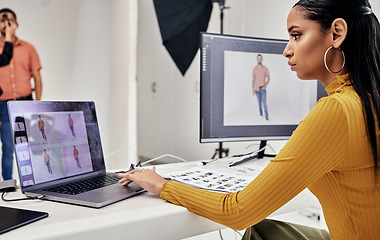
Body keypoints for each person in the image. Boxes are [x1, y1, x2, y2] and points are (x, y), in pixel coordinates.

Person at [118, 0, 380, 239]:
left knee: (255, 227)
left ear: (337, 33)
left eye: (296, 35)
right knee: (264, 230)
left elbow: (239, 211)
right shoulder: (369, 98)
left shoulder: (337, 110)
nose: (287, 50)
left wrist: (162, 185)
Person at [0, 8, 43, 180]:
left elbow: (37, 78)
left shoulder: (28, 48)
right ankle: (7, 185)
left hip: (26, 102)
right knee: (8, 148)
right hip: (3, 105)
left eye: (9, 20)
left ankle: (36, 181)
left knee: (32, 145)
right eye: (2, 20)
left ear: (16, 24)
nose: (5, 23)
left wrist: (38, 103)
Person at [252, 54, 270, 120]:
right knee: (259, 103)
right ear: (257, 60)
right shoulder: (254, 69)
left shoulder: (265, 68)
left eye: (260, 58)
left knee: (264, 104)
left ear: (262, 59)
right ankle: (261, 115)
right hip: (256, 89)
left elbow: (268, 78)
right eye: (258, 58)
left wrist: (265, 85)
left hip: (263, 89)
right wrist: (253, 89)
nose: (259, 59)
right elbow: (253, 79)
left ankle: (267, 117)